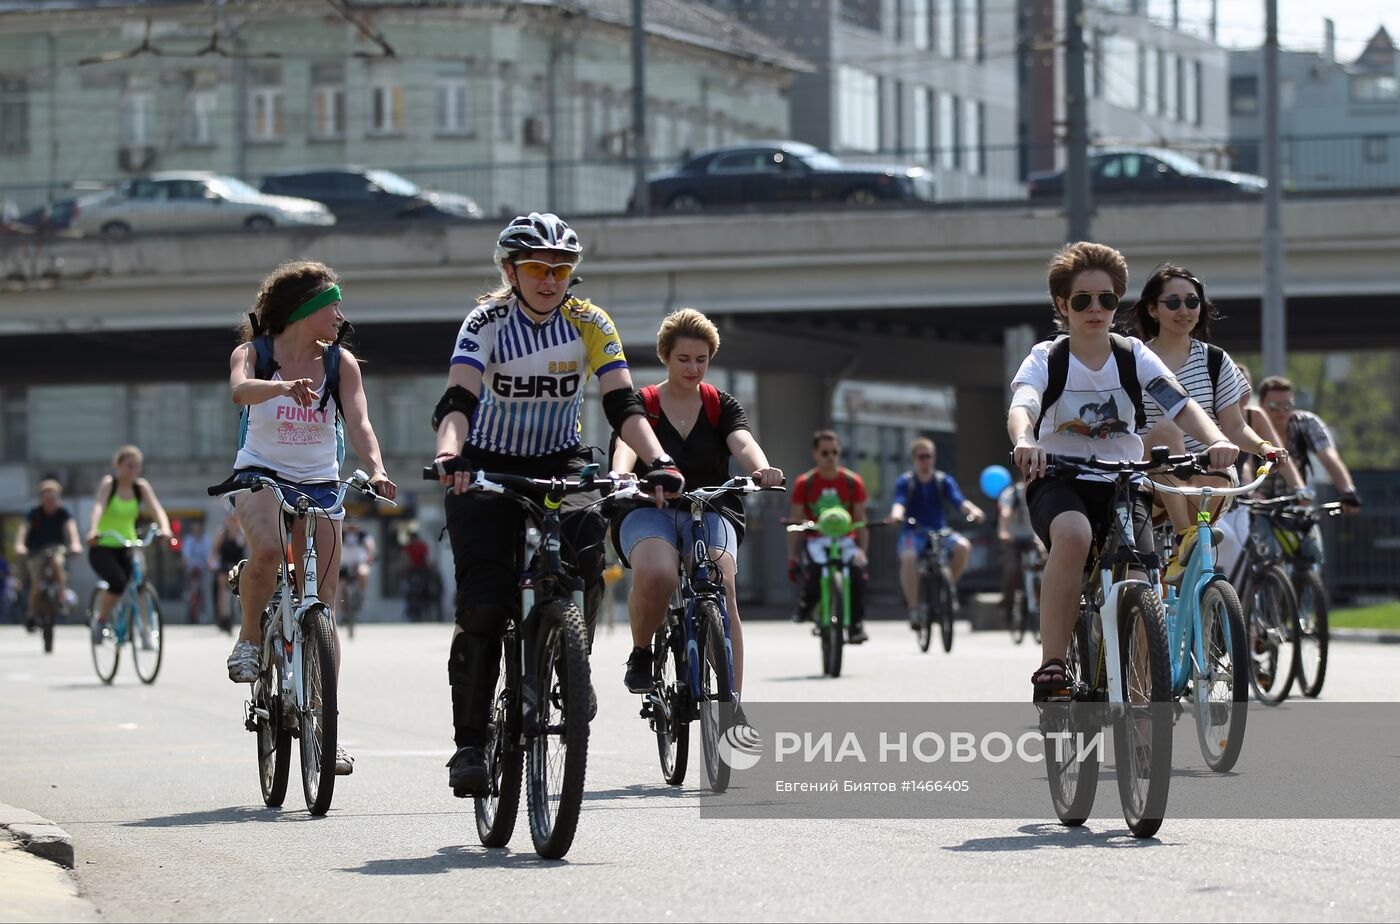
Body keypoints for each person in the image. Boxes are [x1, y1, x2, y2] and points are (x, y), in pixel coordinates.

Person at [432, 212, 683, 797]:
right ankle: (470, 744)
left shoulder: (590, 321)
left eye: (562, 269)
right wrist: (451, 455)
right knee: (484, 606)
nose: (551, 279)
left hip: (559, 463)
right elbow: (457, 398)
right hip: (486, 465)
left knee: (587, 560)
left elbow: (623, 405)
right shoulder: (486, 322)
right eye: (538, 269)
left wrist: (658, 461)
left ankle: (572, 662)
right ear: (510, 271)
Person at [1006, 242, 1238, 700]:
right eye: (1083, 300)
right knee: (1073, 537)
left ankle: (1141, 704)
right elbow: (1023, 405)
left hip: (1123, 480)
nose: (1096, 309)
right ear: (1062, 304)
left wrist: (1216, 440)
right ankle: (1053, 665)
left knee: (1140, 578)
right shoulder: (1048, 357)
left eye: (1107, 299)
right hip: (1059, 478)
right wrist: (1025, 440)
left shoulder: (1132, 354)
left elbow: (1179, 403)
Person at [223, 259, 397, 777]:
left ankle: (326, 726)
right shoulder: (252, 354)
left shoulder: (342, 364)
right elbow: (239, 390)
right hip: (260, 473)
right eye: (332, 305)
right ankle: (250, 639)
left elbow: (360, 422)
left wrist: (378, 468)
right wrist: (280, 388)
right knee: (271, 553)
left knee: (320, 603)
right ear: (304, 311)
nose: (340, 315)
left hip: (321, 480)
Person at [611, 308, 783, 703]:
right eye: (683, 359)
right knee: (657, 574)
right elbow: (625, 443)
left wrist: (762, 469)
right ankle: (641, 654)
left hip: (710, 507)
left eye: (701, 360)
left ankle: (731, 701)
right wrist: (622, 474)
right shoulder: (645, 403)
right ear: (665, 356)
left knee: (722, 581)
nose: (693, 368)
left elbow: (742, 440)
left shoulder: (719, 404)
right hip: (647, 507)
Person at [1127, 263, 1301, 581]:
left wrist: (1265, 447)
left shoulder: (1215, 360)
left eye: (1192, 302)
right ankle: (1184, 538)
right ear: (1153, 309)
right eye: (1173, 302)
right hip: (1148, 482)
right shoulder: (1134, 359)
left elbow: (1234, 427)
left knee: (1219, 480)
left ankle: (1205, 601)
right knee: (1167, 429)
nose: (1185, 310)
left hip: (1201, 480)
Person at [888, 438, 985, 630]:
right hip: (914, 532)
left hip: (940, 531)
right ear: (914, 459)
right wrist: (896, 514)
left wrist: (974, 511)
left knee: (963, 546)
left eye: (929, 456)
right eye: (921, 456)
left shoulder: (943, 481)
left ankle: (946, 588)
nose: (926, 460)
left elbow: (959, 500)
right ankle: (914, 608)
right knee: (908, 558)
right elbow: (899, 502)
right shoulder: (906, 482)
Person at [788, 430, 870, 644]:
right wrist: (792, 558)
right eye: (825, 452)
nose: (830, 457)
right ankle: (806, 606)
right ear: (815, 453)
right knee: (814, 572)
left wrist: (862, 550)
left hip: (846, 540)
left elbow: (860, 520)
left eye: (834, 452)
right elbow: (795, 522)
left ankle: (856, 625)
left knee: (856, 573)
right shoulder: (804, 483)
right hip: (816, 539)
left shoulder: (853, 481)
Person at [86, 446, 174, 637]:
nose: (134, 470)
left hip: (129, 545)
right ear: (118, 465)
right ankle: (100, 620)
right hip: (104, 545)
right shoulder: (110, 484)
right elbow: (98, 507)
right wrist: (93, 529)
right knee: (117, 582)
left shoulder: (140, 487)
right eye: (129, 465)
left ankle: (146, 629)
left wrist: (165, 529)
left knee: (139, 582)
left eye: (137, 466)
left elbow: (157, 510)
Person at [1256, 375, 1361, 511]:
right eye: (1274, 406)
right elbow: (1244, 465)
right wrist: (1248, 493)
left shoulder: (1307, 423)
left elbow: (1329, 456)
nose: (1281, 411)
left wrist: (1348, 491)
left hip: (1297, 505)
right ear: (1260, 404)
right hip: (1256, 507)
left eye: (1287, 405)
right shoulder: (1250, 427)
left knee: (1311, 530)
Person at [14, 479, 83, 629]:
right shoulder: (34, 513)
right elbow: (23, 530)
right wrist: (20, 545)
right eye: (47, 499)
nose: (50, 502)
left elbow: (71, 529)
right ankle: (31, 614)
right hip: (36, 551)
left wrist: (75, 543)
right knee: (37, 584)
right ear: (41, 499)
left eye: (53, 499)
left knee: (58, 563)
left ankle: (62, 597)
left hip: (56, 548)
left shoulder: (63, 513)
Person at [997, 473, 1042, 623]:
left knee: (1044, 565)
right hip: (1013, 539)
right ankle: (1008, 606)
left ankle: (1042, 602)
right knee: (1012, 569)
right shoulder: (1011, 494)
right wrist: (1003, 531)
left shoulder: (1040, 490)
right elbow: (1005, 512)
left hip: (1033, 538)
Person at [209, 514, 246, 633]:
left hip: (237, 565)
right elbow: (214, 550)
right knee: (222, 591)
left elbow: (249, 547)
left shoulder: (242, 534)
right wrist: (212, 562)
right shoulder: (222, 534)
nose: (233, 523)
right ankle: (223, 617)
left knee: (241, 592)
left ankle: (240, 616)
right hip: (224, 566)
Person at [180, 520, 211, 624]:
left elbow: (208, 556)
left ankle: (203, 614)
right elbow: (186, 555)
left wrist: (208, 563)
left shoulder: (205, 541)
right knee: (188, 587)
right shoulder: (189, 540)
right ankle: (187, 595)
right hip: (191, 567)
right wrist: (190, 562)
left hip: (202, 568)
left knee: (203, 589)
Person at [339, 522, 376, 607]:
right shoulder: (341, 534)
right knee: (340, 586)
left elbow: (370, 546)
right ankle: (341, 607)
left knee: (363, 572)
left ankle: (362, 595)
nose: (352, 529)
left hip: (359, 563)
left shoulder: (363, 535)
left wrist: (370, 557)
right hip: (344, 564)